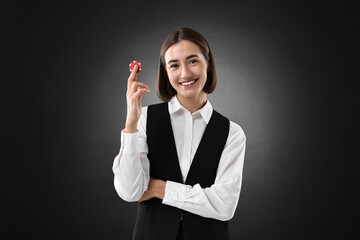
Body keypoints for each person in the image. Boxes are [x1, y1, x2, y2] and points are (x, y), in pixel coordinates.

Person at [112, 27, 246, 240]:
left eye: (193, 61)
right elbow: (130, 192)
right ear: (166, 72)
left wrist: (160, 188)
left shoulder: (232, 133)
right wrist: (131, 124)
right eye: (174, 65)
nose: (185, 73)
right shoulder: (144, 119)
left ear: (208, 63)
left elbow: (224, 205)